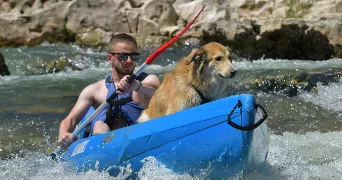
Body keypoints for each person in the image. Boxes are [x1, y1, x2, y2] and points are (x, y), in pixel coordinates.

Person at [58, 33, 161, 149]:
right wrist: (63, 134)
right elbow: (69, 121)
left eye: (134, 56)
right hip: (106, 143)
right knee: (99, 125)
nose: (129, 60)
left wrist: (137, 86)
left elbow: (159, 94)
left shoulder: (148, 81)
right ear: (110, 58)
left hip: (139, 140)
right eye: (123, 56)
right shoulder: (94, 90)